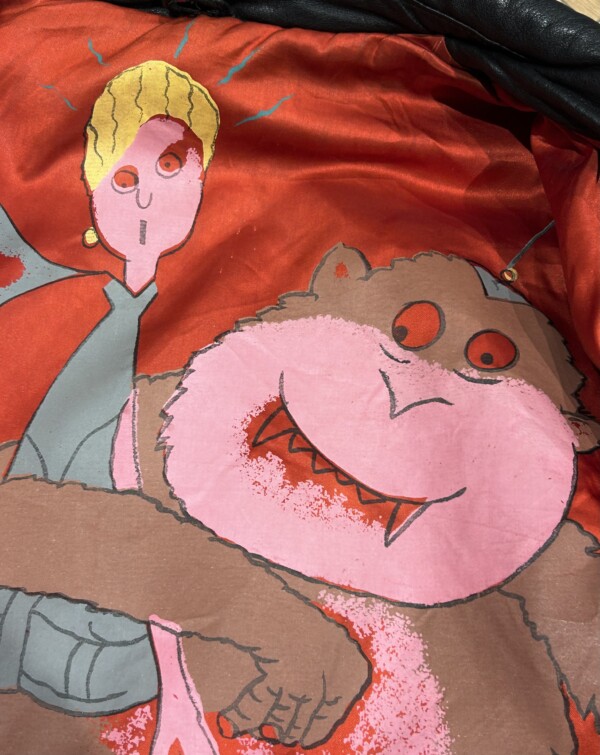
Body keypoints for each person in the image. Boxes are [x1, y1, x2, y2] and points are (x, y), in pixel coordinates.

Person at [0, 61, 368, 748]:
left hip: (135, 665)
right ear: (91, 186)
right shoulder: (56, 307)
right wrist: (268, 619)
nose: (145, 198)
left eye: (171, 165)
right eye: (123, 177)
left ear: (204, 175)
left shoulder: (231, 335)